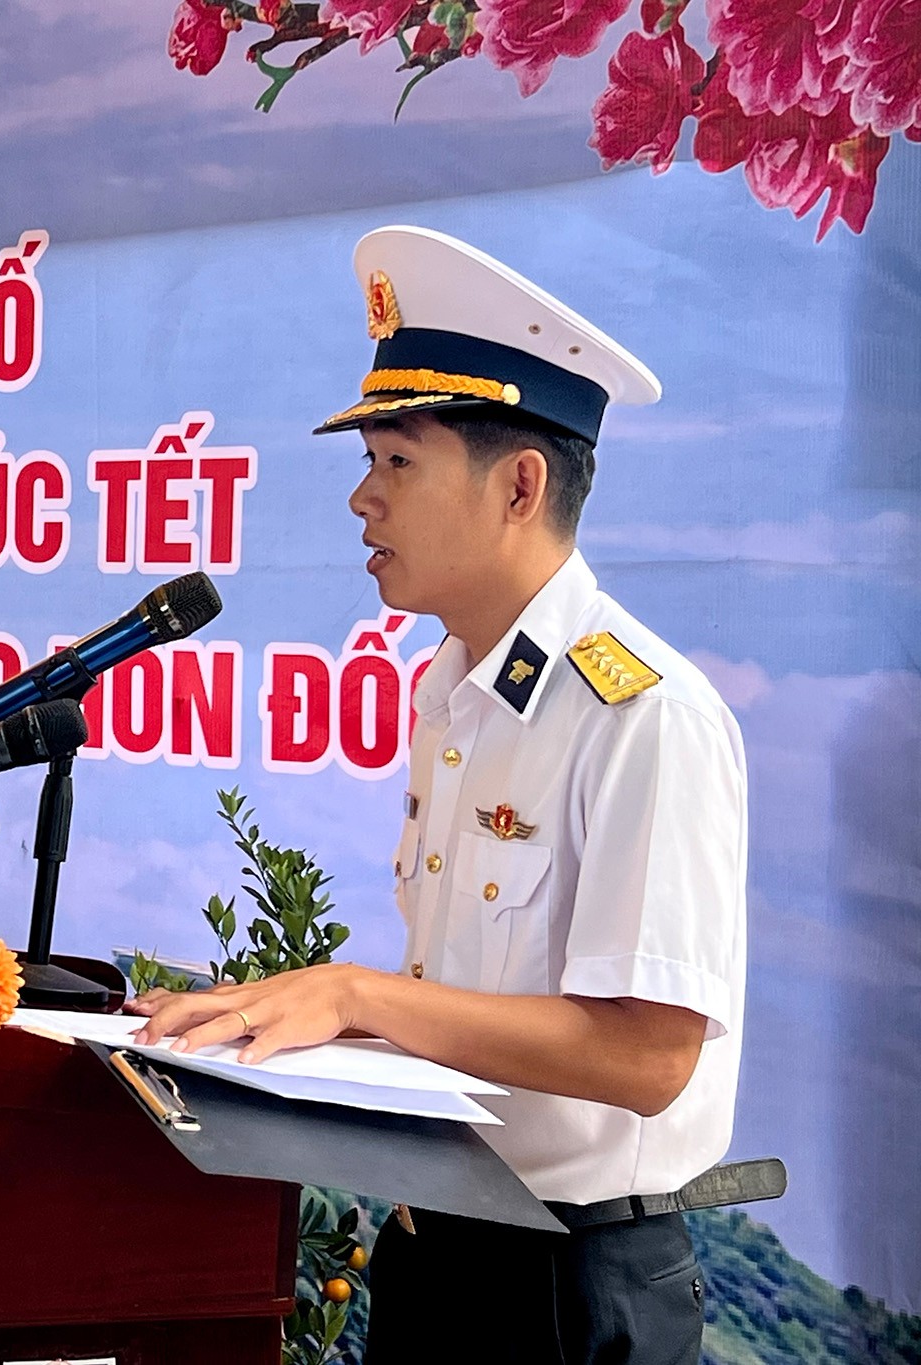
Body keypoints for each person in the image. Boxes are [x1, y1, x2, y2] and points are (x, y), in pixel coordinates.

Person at [127, 226, 747, 1364]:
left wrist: (356, 995)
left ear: (521, 484)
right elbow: (469, 1005)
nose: (363, 499)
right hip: (437, 1247)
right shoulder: (455, 688)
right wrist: (281, 1015)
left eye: (398, 462)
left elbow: (652, 1058)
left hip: (567, 1284)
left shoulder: (643, 714)